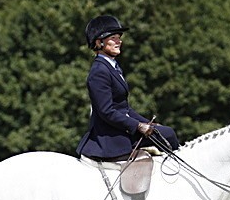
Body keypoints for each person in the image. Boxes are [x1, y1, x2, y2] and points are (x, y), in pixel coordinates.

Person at [76, 15, 180, 161]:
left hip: (120, 126)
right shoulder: (99, 71)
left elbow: (124, 108)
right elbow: (107, 111)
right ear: (99, 42)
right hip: (110, 136)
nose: (119, 41)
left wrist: (147, 122)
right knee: (167, 134)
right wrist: (138, 126)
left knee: (164, 132)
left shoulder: (113, 67)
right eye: (113, 38)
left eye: (119, 37)